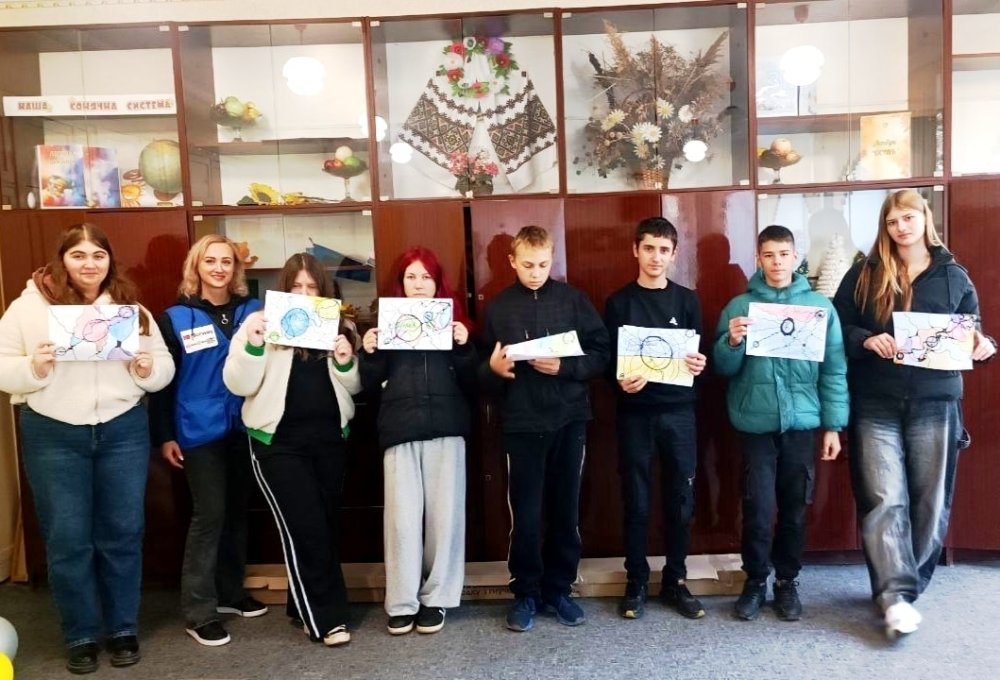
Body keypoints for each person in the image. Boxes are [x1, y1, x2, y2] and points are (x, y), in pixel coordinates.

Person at [0, 223, 174, 674]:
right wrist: (33, 367)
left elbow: (163, 368)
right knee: (68, 539)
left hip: (122, 429)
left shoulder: (130, 309)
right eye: (78, 255)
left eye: (98, 255)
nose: (89, 264)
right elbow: (2, 367)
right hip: (53, 432)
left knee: (123, 532)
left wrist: (146, 369)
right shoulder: (27, 308)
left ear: (109, 261)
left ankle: (122, 629)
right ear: (62, 260)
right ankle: (79, 634)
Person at [832, 189, 996, 638]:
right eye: (892, 221)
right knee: (883, 497)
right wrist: (865, 338)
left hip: (936, 401)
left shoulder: (955, 276)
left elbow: (973, 333)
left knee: (930, 500)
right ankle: (894, 595)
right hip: (875, 400)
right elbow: (837, 325)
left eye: (908, 218)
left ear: (925, 219)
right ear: (884, 228)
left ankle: (906, 591)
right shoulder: (864, 274)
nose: (901, 227)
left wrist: (985, 345)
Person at [222, 253, 360, 647]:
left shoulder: (342, 326)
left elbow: (353, 387)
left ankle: (301, 608)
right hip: (277, 444)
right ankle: (327, 620)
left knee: (323, 526)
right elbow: (238, 384)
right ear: (284, 289)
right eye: (296, 286)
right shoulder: (259, 323)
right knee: (306, 527)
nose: (303, 293)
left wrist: (346, 362)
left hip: (329, 441)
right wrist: (253, 345)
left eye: (311, 287)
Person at [713, 225, 848, 623]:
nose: (776, 262)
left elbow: (834, 368)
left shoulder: (819, 307)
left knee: (794, 507)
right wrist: (731, 342)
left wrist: (833, 426)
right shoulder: (739, 307)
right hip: (755, 424)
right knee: (757, 507)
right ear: (758, 258)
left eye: (783, 254)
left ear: (795, 257)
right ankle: (755, 580)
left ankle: (787, 581)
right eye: (769, 255)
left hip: (802, 424)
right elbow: (722, 368)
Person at [479, 225, 610, 632]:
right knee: (526, 514)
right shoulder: (499, 308)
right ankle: (525, 593)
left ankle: (559, 590)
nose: (535, 273)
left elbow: (602, 353)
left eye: (542, 265)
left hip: (569, 420)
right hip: (521, 424)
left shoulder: (574, 300)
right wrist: (493, 370)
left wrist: (565, 367)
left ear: (552, 260)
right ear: (512, 262)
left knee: (565, 510)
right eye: (527, 265)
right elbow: (479, 371)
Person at [149, 235, 268, 647]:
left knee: (237, 512)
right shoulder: (175, 318)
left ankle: (231, 593)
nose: (219, 268)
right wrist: (164, 435)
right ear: (196, 267)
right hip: (197, 430)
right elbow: (163, 383)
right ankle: (199, 612)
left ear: (236, 269)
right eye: (210, 261)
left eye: (226, 262)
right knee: (210, 515)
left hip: (244, 425)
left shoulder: (255, 311)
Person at [360, 246, 476, 636]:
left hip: (447, 426)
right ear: (401, 283)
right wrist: (370, 353)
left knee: (445, 519)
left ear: (437, 282)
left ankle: (437, 598)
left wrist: (464, 346)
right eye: (411, 276)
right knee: (401, 522)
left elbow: (474, 381)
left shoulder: (454, 320)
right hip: (400, 427)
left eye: (426, 276)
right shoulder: (387, 322)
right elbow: (369, 385)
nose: (419, 284)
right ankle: (402, 602)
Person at [603, 217, 708, 620]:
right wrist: (619, 381)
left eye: (664, 250)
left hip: (680, 413)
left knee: (681, 500)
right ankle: (636, 581)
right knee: (637, 500)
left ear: (674, 254)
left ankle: (675, 581)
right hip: (635, 415)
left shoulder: (688, 301)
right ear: (636, 250)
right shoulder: (619, 303)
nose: (656, 257)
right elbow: (608, 363)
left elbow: (698, 359)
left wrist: (699, 364)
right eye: (649, 248)